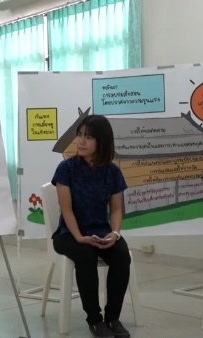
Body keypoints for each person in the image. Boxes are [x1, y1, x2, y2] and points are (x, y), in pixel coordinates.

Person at [51, 114, 131, 338]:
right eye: (79, 136)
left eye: (88, 137)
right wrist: (78, 237)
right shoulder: (66, 169)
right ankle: (95, 320)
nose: (81, 142)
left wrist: (115, 233)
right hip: (69, 233)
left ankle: (113, 317)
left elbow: (116, 209)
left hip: (100, 231)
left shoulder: (112, 171)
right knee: (85, 255)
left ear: (102, 141)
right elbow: (66, 210)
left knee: (122, 254)